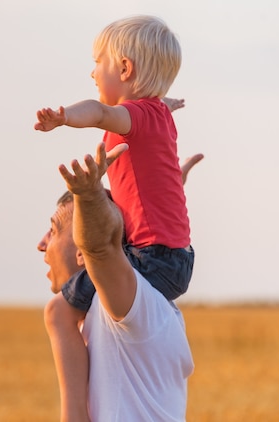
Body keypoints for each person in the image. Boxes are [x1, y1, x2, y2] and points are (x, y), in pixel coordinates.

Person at [34, 16, 195, 420]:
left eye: (98, 62)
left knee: (57, 312)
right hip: (172, 255)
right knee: (63, 310)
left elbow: (101, 113)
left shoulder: (134, 116)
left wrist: (64, 116)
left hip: (152, 258)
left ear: (125, 69)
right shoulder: (158, 115)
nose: (92, 71)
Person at [38, 143, 197, 421]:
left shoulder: (129, 307)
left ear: (82, 248)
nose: (42, 244)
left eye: (53, 229)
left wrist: (89, 197)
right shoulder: (128, 308)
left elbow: (103, 248)